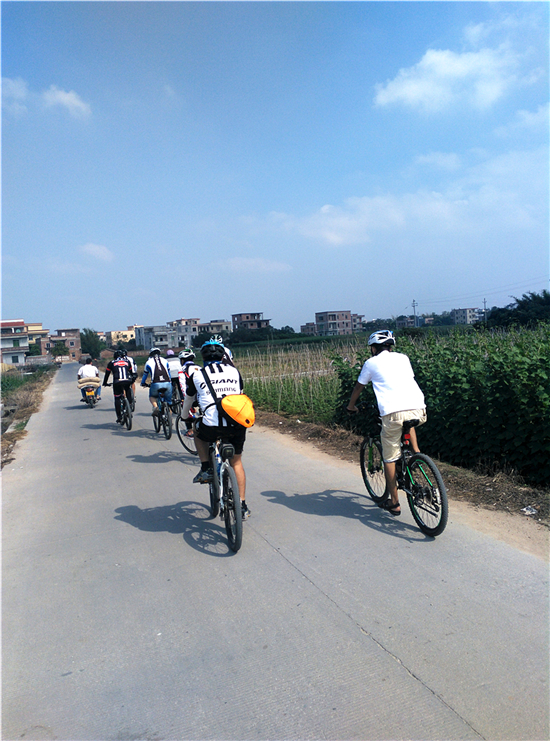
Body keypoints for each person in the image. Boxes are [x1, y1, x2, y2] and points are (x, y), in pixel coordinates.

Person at [347, 330, 426, 516]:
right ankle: (416, 454)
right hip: (419, 408)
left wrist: (351, 406)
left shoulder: (371, 363)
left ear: (374, 348)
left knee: (389, 458)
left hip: (392, 413)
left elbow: (359, 386)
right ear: (390, 346)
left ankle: (394, 503)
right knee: (407, 421)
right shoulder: (403, 358)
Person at [180, 337, 250, 520]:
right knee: (236, 462)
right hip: (237, 423)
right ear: (222, 356)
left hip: (211, 425)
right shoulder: (234, 372)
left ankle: (206, 467)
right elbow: (240, 394)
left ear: (203, 357)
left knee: (197, 431)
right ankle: (242, 505)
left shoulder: (197, 375)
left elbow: (189, 399)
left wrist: (184, 416)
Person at [103, 350, 136, 423]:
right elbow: (131, 372)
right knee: (128, 391)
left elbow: (107, 374)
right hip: (127, 381)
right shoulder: (127, 361)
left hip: (117, 382)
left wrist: (105, 383)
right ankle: (130, 406)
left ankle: (119, 416)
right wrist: (132, 379)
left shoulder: (111, 363)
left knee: (117, 397)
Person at [140, 347, 172, 415]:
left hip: (156, 384)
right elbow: (169, 374)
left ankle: (155, 407)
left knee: (152, 396)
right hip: (167, 383)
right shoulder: (165, 360)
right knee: (169, 404)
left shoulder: (148, 362)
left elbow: (145, 375)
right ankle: (170, 418)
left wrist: (143, 383)